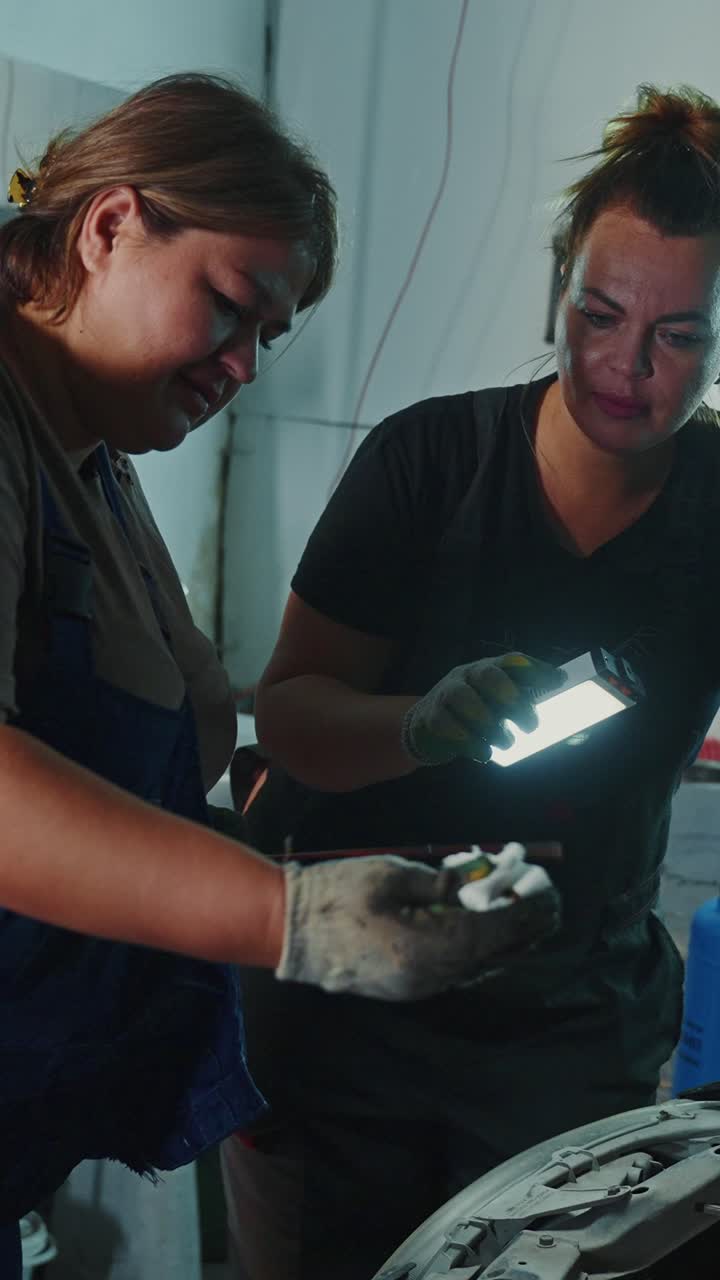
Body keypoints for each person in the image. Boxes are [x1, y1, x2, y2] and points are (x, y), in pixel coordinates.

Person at [0, 73, 559, 1279]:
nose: (247, 366)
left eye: (271, 333)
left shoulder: (88, 447)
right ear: (108, 227)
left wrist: (339, 861)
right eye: (232, 306)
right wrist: (289, 918)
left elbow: (129, 759)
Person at [227, 83, 720, 1280]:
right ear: (558, 281)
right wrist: (418, 725)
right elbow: (291, 715)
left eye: (680, 336)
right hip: (347, 1024)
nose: (625, 365)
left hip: (565, 1042)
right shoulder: (427, 462)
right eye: (599, 314)